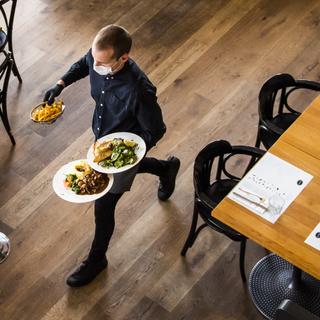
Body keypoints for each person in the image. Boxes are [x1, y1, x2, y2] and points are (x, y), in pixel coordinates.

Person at [44, 25, 180, 287]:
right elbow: (84, 63)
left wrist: (129, 156)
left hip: (124, 144)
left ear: (123, 58)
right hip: (102, 139)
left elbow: (156, 129)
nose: (95, 65)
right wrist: (60, 84)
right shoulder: (99, 58)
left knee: (104, 206)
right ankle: (166, 168)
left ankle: (97, 260)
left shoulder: (139, 91)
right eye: (95, 59)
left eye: (101, 62)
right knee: (114, 183)